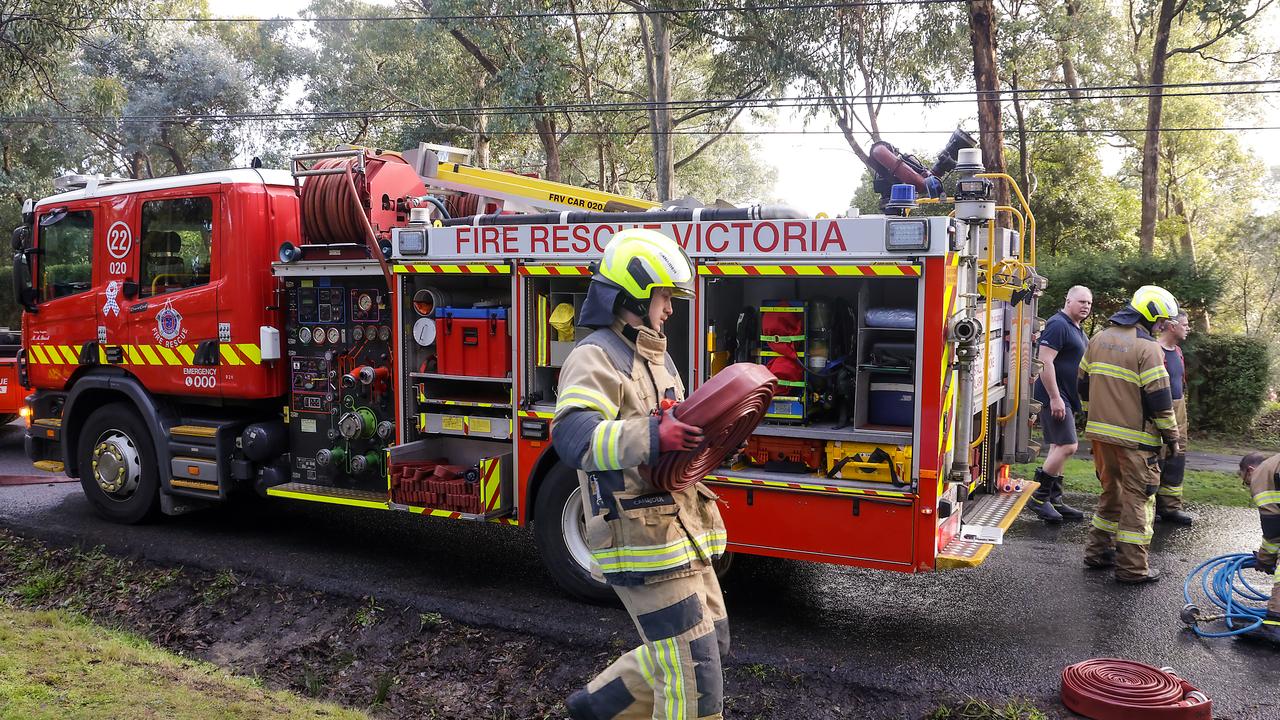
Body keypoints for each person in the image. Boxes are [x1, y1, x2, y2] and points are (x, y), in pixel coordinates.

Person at [554, 228, 729, 720]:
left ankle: (595, 711)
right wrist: (655, 435)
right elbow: (573, 436)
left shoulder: (658, 359)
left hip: (681, 534)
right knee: (694, 685)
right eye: (665, 296)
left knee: (713, 644)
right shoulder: (596, 356)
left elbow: (670, 431)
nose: (671, 308)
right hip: (640, 538)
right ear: (632, 294)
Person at [1078, 285, 1181, 584]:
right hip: (1136, 441)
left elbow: (1082, 385)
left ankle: (1097, 553)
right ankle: (1133, 568)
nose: (1162, 326)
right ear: (1150, 315)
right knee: (1138, 500)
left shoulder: (1098, 338)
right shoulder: (1147, 347)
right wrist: (1172, 437)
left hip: (1100, 435)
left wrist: (1092, 417)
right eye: (1161, 320)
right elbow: (1159, 398)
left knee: (1111, 492)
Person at [1027, 285, 1092, 522]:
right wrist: (1055, 398)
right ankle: (1038, 498)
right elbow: (1045, 361)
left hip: (1067, 396)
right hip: (1055, 395)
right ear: (1068, 300)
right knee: (1068, 446)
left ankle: (1055, 499)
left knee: (1058, 446)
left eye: (1089, 303)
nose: (1086, 306)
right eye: (1082, 301)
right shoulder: (1058, 325)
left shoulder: (1076, 328)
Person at [1156, 311, 1195, 524]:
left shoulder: (1178, 351)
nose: (1188, 328)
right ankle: (1151, 506)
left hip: (1179, 408)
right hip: (1161, 408)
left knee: (1177, 456)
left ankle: (1171, 506)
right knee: (1158, 456)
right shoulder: (1153, 350)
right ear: (1172, 326)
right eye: (1185, 324)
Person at [1237, 451, 1280, 643]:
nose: (1249, 486)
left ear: (1250, 470)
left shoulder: (1262, 474)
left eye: (1246, 482)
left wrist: (1265, 560)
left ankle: (1274, 627)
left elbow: (1273, 532)